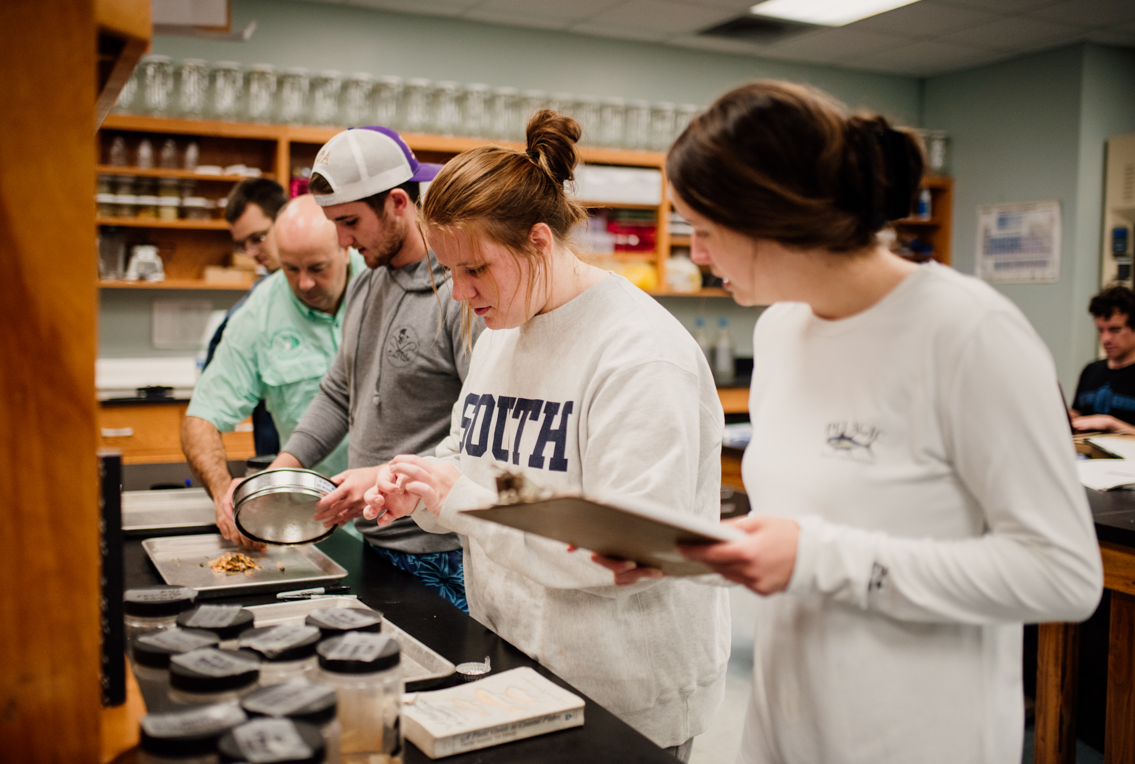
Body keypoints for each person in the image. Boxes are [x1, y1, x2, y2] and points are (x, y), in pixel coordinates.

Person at [593, 81, 1104, 764]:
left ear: (773, 217)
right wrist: (682, 556)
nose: (699, 255)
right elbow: (792, 538)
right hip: (785, 726)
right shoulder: (781, 330)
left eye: (705, 232)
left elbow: (1062, 575)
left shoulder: (969, 334)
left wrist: (818, 557)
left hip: (916, 737)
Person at [361, 111, 731, 761]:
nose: (459, 295)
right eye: (449, 274)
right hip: (516, 663)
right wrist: (419, 480)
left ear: (538, 241)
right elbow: (476, 456)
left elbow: (624, 552)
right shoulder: (504, 327)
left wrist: (457, 502)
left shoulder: (640, 356)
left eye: (475, 269)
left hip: (624, 693)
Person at [220, 126, 482, 610]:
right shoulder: (365, 288)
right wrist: (282, 471)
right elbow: (339, 394)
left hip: (443, 552)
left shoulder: (460, 297)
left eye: (350, 222)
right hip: (375, 543)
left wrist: (384, 474)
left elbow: (481, 435)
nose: (340, 240)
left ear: (399, 203)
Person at [184, 194, 363, 546]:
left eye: (317, 268)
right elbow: (200, 419)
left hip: (404, 523)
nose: (303, 284)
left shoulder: (383, 285)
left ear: (346, 248)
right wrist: (224, 493)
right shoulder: (257, 314)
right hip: (313, 525)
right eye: (290, 269)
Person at [206, 178, 290, 455]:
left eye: (257, 238)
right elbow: (211, 399)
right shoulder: (248, 311)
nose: (252, 253)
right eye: (243, 245)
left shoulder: (350, 286)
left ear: (286, 218)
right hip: (277, 465)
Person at [1071, 284, 1135, 434]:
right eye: (1100, 330)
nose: (1105, 339)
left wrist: (1111, 424)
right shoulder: (1091, 370)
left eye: (1115, 330)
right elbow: (1077, 415)